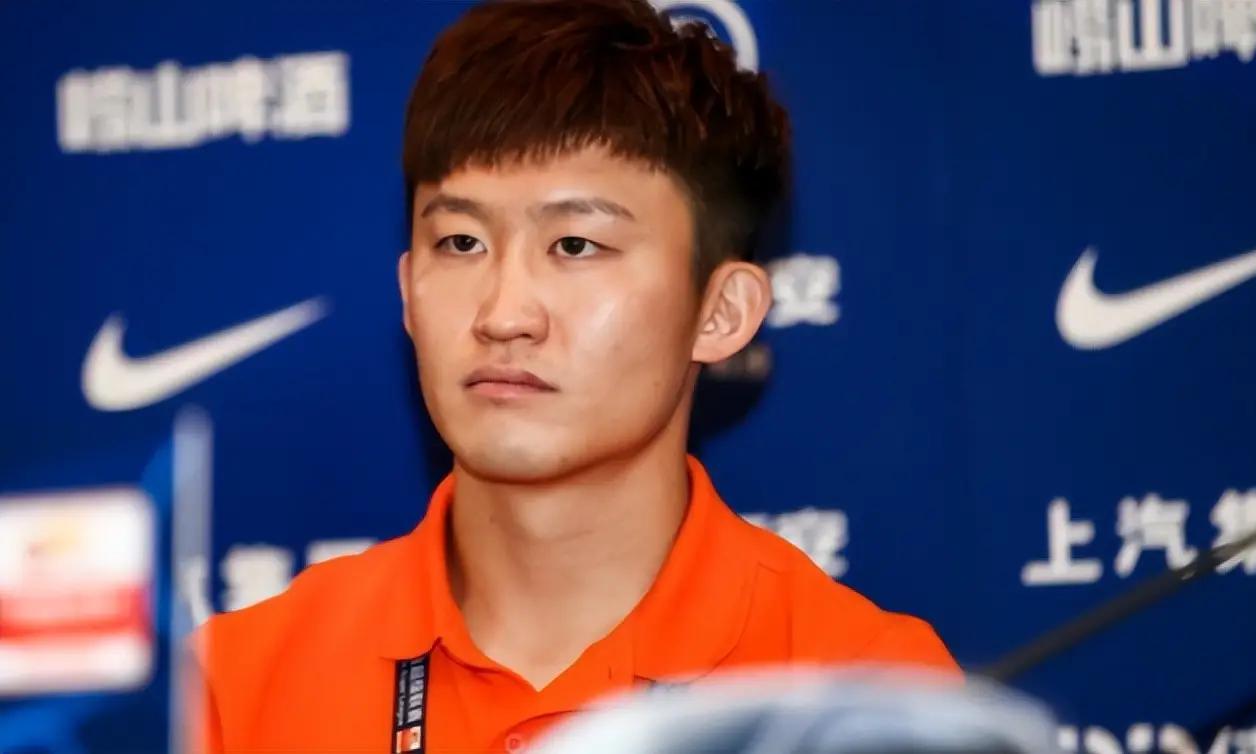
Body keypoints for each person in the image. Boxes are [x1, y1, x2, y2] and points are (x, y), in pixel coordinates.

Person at [187, 0, 960, 751]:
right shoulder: (231, 692)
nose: (503, 314)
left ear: (721, 310)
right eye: (460, 243)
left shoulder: (869, 702)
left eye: (576, 246)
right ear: (407, 290)